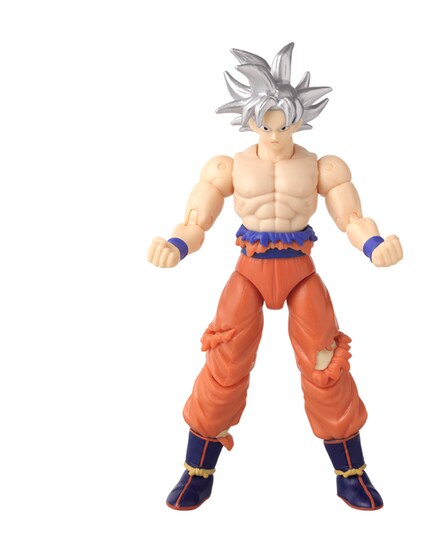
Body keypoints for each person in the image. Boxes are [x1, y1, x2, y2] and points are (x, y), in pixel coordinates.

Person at [148, 43, 403, 511]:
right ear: (249, 121)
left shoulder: (321, 166)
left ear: (299, 119)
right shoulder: (228, 166)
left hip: (300, 272)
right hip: (249, 272)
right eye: (265, 124)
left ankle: (350, 472)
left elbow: (350, 216)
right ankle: (197, 470)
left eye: (283, 124)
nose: (274, 134)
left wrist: (374, 245)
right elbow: (196, 218)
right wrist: (176, 245)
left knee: (326, 365)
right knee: (224, 363)